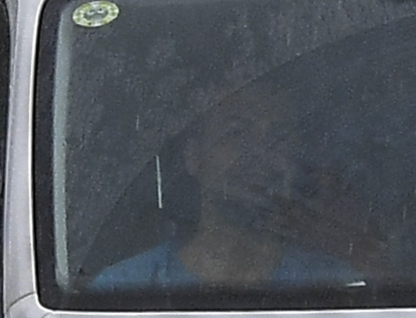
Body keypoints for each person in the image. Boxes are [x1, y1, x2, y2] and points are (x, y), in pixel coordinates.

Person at [90, 75, 361, 293]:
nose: (260, 153)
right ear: (194, 157)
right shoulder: (124, 288)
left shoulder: (333, 286)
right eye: (237, 133)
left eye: (278, 136)